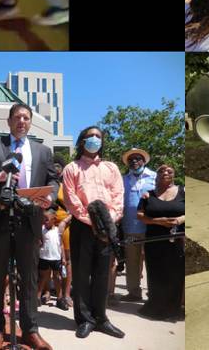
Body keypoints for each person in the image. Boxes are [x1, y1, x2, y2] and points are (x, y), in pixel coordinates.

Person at [0, 102, 57, 350]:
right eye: (17, 117)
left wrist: (50, 197)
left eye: (26, 117)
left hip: (29, 221)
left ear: (30, 122)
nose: (22, 121)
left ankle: (30, 330)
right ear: (9, 121)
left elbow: (53, 179)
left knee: (29, 279)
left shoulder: (42, 151)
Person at [62, 126, 125, 339]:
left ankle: (101, 318)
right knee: (81, 274)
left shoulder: (111, 168)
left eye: (98, 136)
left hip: (107, 227)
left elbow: (118, 196)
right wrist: (93, 223)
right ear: (82, 141)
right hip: (83, 226)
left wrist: (110, 221)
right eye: (91, 136)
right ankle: (84, 319)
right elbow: (72, 199)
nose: (95, 139)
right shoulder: (72, 168)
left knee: (102, 274)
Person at [137, 165, 185, 320]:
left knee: (175, 274)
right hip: (154, 241)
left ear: (174, 175)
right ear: (156, 176)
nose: (165, 173)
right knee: (156, 274)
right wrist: (159, 221)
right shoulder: (148, 195)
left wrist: (179, 219)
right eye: (161, 171)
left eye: (169, 171)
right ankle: (155, 307)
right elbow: (140, 215)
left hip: (176, 240)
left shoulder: (183, 191)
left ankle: (173, 308)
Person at [120, 148, 157, 302]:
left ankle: (154, 292)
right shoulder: (123, 179)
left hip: (151, 226)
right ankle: (134, 292)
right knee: (132, 261)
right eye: (131, 159)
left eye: (137, 158)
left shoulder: (154, 177)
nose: (134, 161)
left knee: (152, 260)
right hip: (130, 226)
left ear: (144, 160)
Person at [53, 155, 73, 310]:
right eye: (53, 165)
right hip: (50, 227)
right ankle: (55, 294)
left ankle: (67, 294)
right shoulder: (47, 183)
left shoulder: (68, 184)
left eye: (58, 165)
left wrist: (65, 222)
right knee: (53, 261)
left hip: (66, 226)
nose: (55, 168)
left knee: (67, 261)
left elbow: (76, 208)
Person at [37, 211, 62, 305]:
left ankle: (60, 298)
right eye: (44, 219)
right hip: (44, 257)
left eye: (47, 220)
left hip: (56, 257)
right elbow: (39, 241)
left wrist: (62, 258)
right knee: (43, 277)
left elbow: (61, 245)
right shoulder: (42, 229)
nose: (45, 221)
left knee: (57, 277)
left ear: (54, 220)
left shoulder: (58, 231)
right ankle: (38, 297)